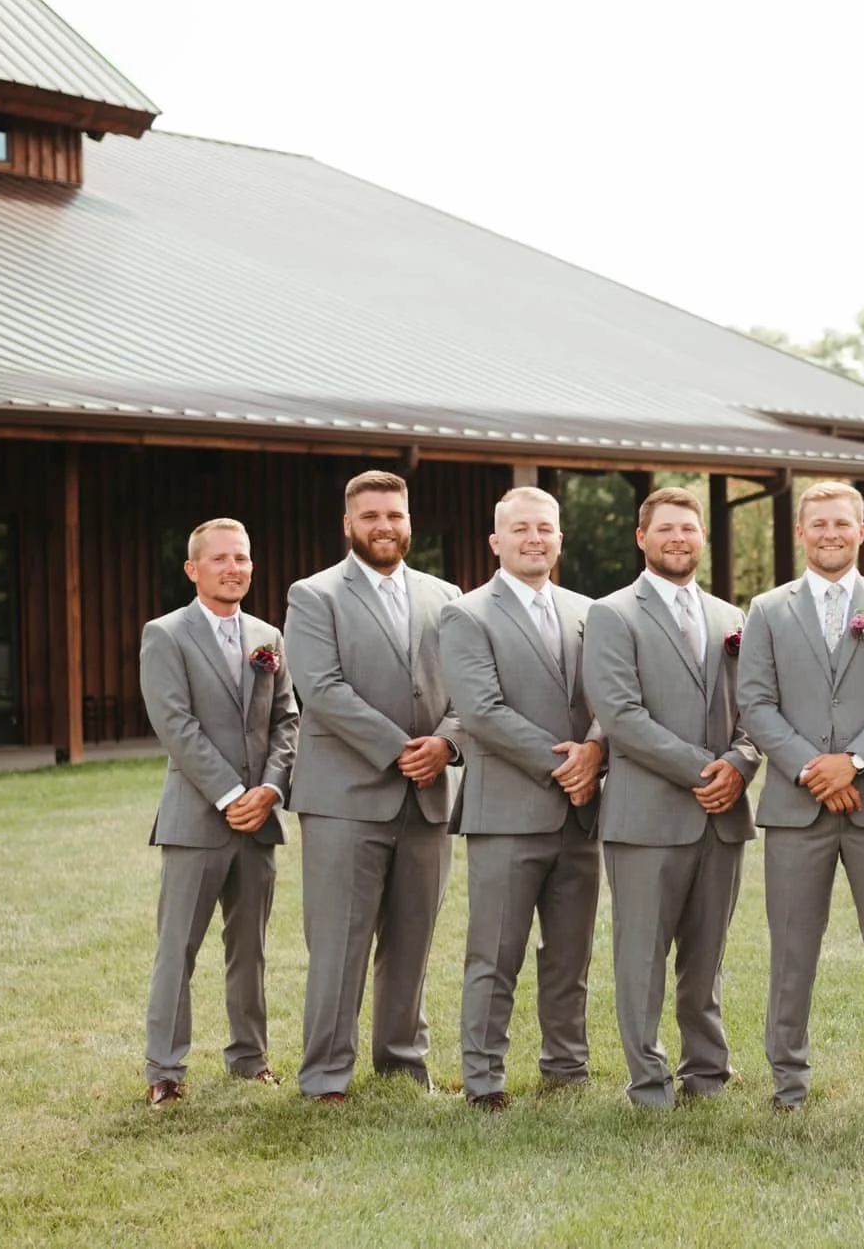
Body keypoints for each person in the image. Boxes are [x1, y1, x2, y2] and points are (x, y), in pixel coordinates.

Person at [736, 481, 864, 1111]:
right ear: (800, 532)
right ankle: (787, 1082)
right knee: (792, 947)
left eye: (842, 523)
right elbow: (756, 704)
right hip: (796, 810)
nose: (830, 533)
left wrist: (853, 763)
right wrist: (810, 771)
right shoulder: (766, 610)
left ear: (860, 531)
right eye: (818, 524)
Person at [284, 470, 463, 1102]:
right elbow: (323, 691)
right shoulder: (314, 595)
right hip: (345, 797)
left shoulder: (447, 595)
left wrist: (446, 742)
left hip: (430, 793)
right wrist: (400, 750)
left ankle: (402, 1064)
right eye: (370, 517)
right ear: (348, 524)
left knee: (413, 938)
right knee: (339, 940)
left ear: (409, 520)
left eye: (394, 515)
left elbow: (471, 690)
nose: (384, 526)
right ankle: (327, 1075)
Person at [581, 486, 762, 1110]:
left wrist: (740, 762)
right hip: (647, 815)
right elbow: (621, 716)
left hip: (722, 815)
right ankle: (649, 1079)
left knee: (707, 954)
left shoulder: (731, 618)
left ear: (702, 537)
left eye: (689, 528)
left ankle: (707, 1070)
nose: (678, 538)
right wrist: (705, 769)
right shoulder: (612, 614)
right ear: (642, 538)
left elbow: (754, 709)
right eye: (666, 529)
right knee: (642, 957)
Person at [439, 486, 605, 1111]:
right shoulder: (467, 614)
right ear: (496, 542)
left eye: (545, 529)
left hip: (581, 813)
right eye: (520, 530)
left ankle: (567, 1068)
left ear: (559, 538)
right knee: (496, 953)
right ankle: (484, 1080)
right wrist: (565, 765)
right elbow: (480, 711)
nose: (534, 539)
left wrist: (594, 750)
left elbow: (611, 699)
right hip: (508, 810)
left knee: (570, 954)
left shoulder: (592, 610)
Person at [138, 517, 298, 1105]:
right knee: (177, 945)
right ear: (193, 569)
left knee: (249, 945)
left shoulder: (268, 636)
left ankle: (249, 1058)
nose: (235, 569)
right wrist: (233, 795)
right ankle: (165, 1070)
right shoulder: (166, 634)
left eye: (243, 559)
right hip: (197, 818)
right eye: (221, 559)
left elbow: (287, 720)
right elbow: (175, 725)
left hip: (261, 819)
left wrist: (272, 790)